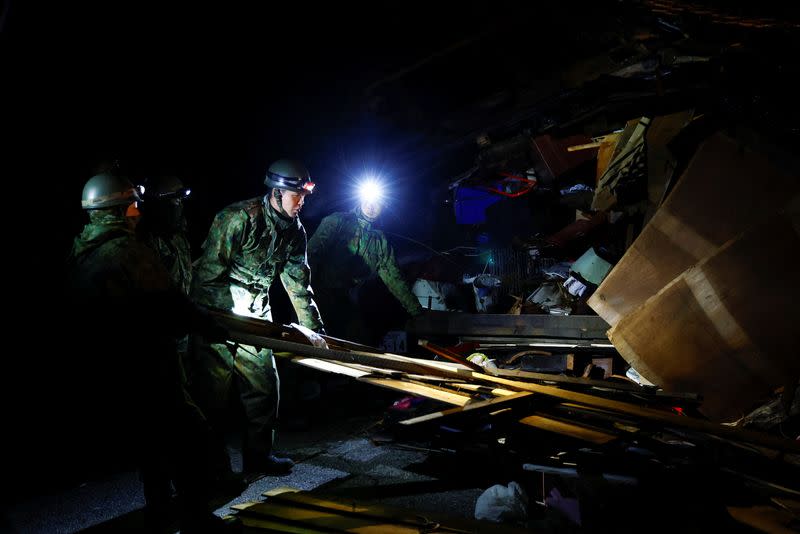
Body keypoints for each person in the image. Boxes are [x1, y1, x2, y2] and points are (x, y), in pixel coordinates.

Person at [65, 171, 237, 533]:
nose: (138, 212)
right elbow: (170, 303)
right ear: (116, 210)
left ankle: (160, 513)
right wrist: (210, 326)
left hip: (117, 367)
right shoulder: (126, 251)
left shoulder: (82, 250)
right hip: (150, 363)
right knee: (190, 437)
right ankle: (196, 517)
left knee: (151, 444)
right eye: (131, 206)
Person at [189, 158, 324, 476]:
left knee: (264, 388)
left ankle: (258, 457)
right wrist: (212, 321)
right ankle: (208, 466)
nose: (301, 202)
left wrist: (316, 333)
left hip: (256, 317)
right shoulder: (238, 218)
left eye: (304, 196)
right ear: (277, 193)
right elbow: (207, 274)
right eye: (297, 195)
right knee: (211, 397)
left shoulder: (295, 233)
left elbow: (299, 286)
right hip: (218, 316)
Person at [307, 185, 423, 343]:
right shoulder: (338, 222)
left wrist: (416, 311)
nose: (371, 207)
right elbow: (310, 255)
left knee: (356, 343)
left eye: (378, 203)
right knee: (312, 341)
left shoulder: (379, 241)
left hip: (347, 300)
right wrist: (305, 294)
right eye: (368, 201)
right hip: (319, 295)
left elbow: (394, 278)